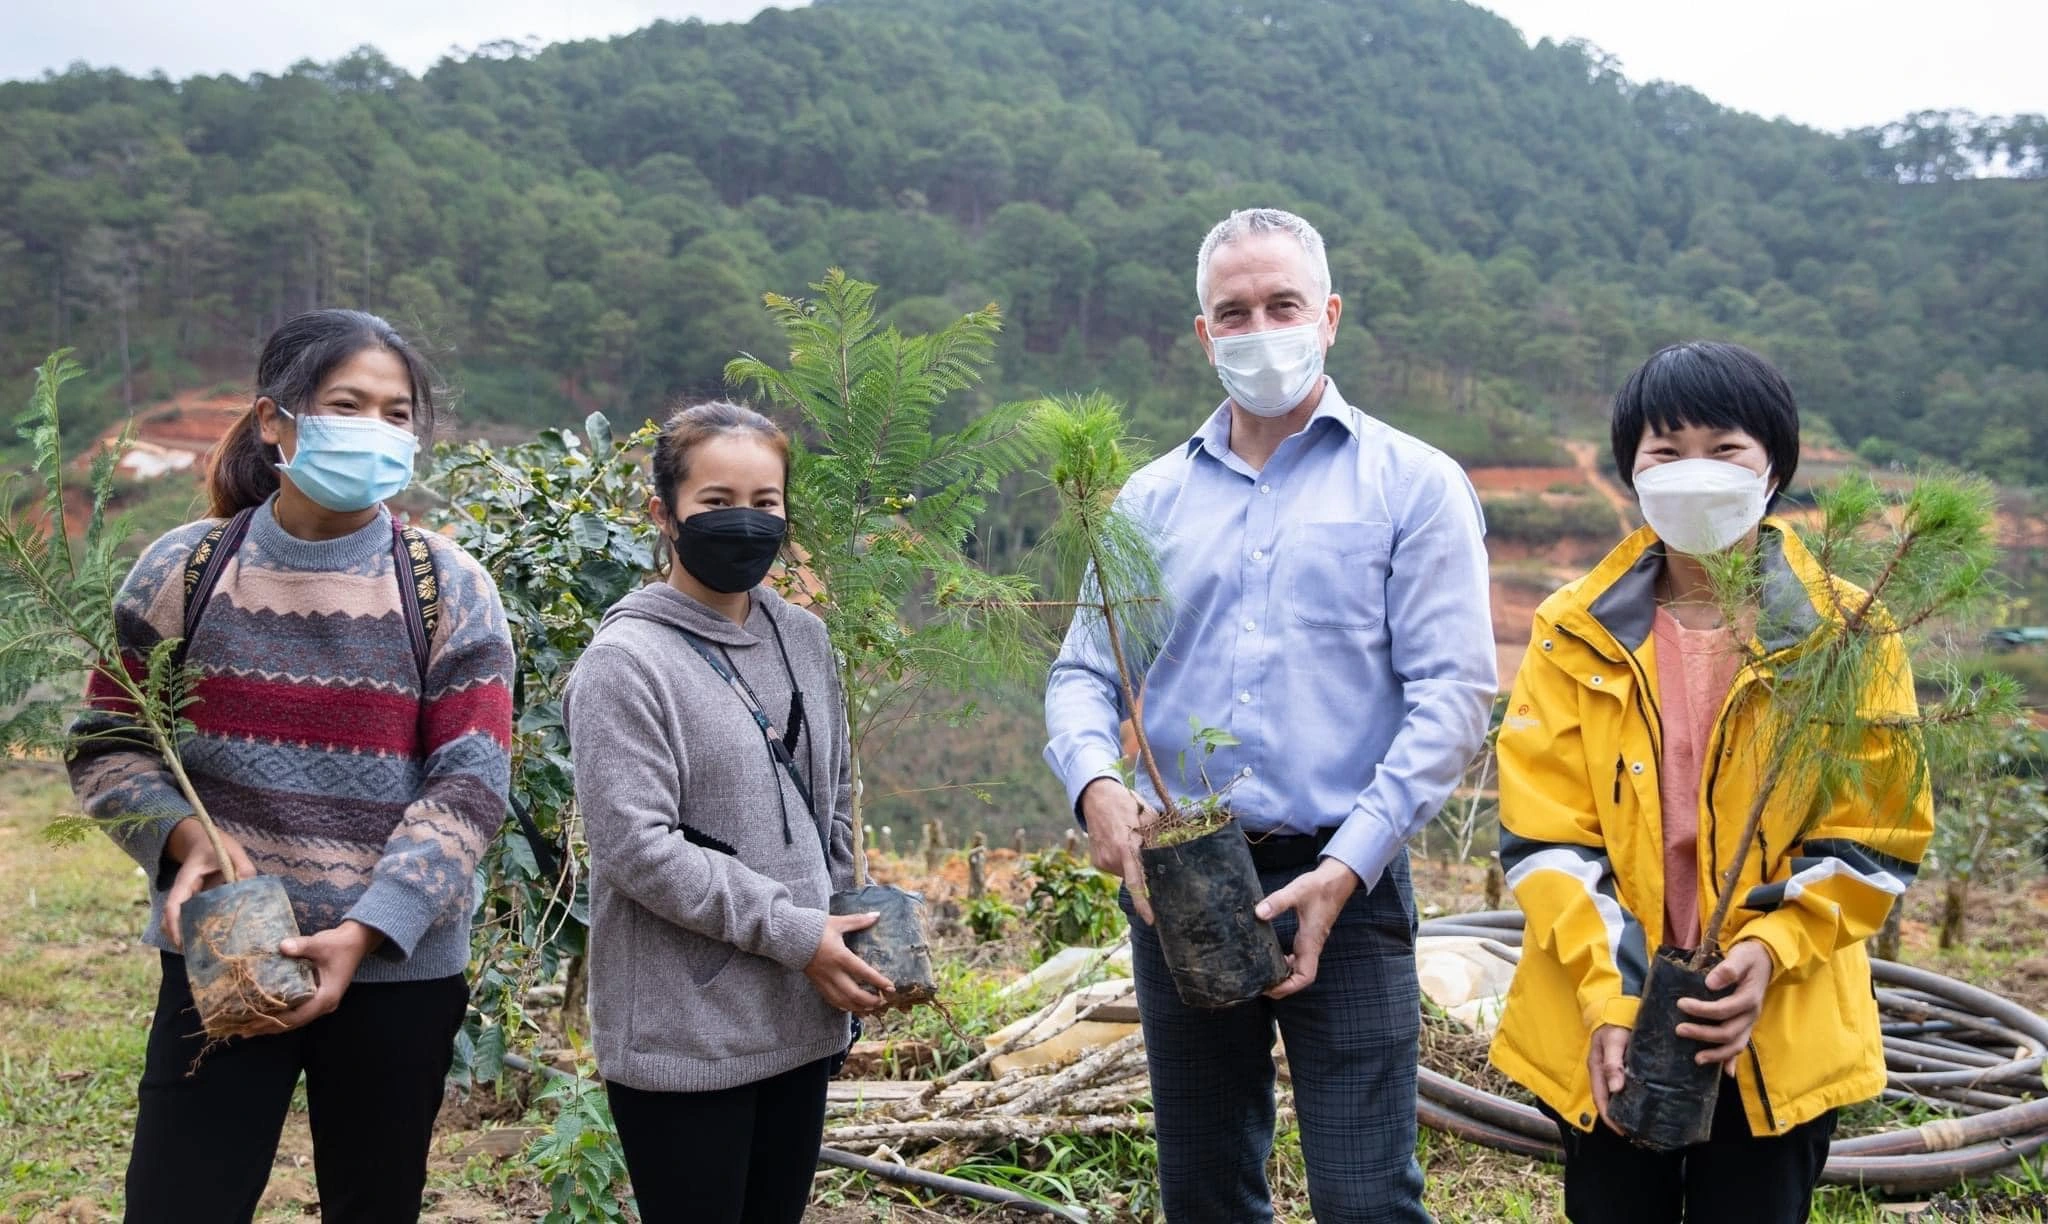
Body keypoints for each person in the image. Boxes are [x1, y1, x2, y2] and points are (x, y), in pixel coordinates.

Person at [1043, 207, 1498, 1222]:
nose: (1259, 329)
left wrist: (1345, 868)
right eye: (1232, 312)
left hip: (1349, 875)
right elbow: (1083, 673)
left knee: (1363, 1193)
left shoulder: (1411, 485)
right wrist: (1098, 790)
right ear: (1204, 336)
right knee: (1204, 1185)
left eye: (1280, 304)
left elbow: (1453, 696)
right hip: (1182, 877)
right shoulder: (1150, 502)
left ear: (1327, 316)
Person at [67, 309, 516, 1223]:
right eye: (349, 403)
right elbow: (108, 739)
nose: (378, 430)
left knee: (373, 1202)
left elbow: (471, 781)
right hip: (226, 950)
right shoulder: (185, 570)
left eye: (398, 413)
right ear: (275, 420)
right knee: (180, 1200)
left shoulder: (449, 587)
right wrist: (181, 837)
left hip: (397, 968)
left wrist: (372, 928)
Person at [1487, 341, 1933, 1223]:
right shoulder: (1570, 632)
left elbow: (1873, 833)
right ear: (1632, 472)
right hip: (1602, 1013)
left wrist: (1768, 955)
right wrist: (1612, 996)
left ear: (1774, 467)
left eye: (1724, 449)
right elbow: (1546, 836)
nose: (1695, 472)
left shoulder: (1850, 632)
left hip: (1777, 1019)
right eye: (1666, 450)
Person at [564, 401, 888, 1224]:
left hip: (801, 1011)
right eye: (715, 503)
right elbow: (637, 849)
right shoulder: (626, 663)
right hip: (687, 1030)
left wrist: (843, 925)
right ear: (663, 513)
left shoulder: (804, 640)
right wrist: (792, 932)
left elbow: (832, 802)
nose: (743, 523)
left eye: (765, 503)